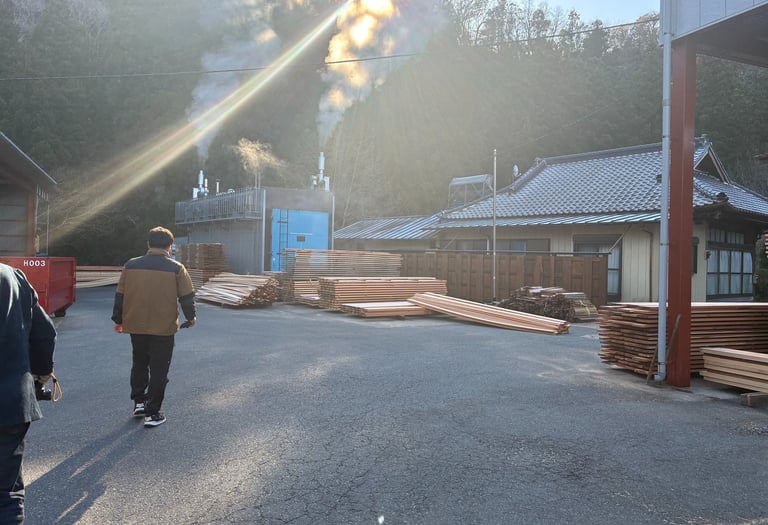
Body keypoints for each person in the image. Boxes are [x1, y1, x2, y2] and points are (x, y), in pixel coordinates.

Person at [112, 227, 196, 428]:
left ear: (148, 244)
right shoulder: (177, 268)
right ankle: (153, 413)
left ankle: (139, 403)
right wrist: (191, 317)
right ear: (169, 246)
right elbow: (187, 297)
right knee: (159, 369)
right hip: (163, 327)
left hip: (136, 325)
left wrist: (118, 319)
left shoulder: (131, 265)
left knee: (139, 363)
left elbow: (120, 294)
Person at [0, 263, 56, 524]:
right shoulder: (11, 276)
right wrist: (42, 372)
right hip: (9, 401)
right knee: (5, 493)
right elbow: (44, 334)